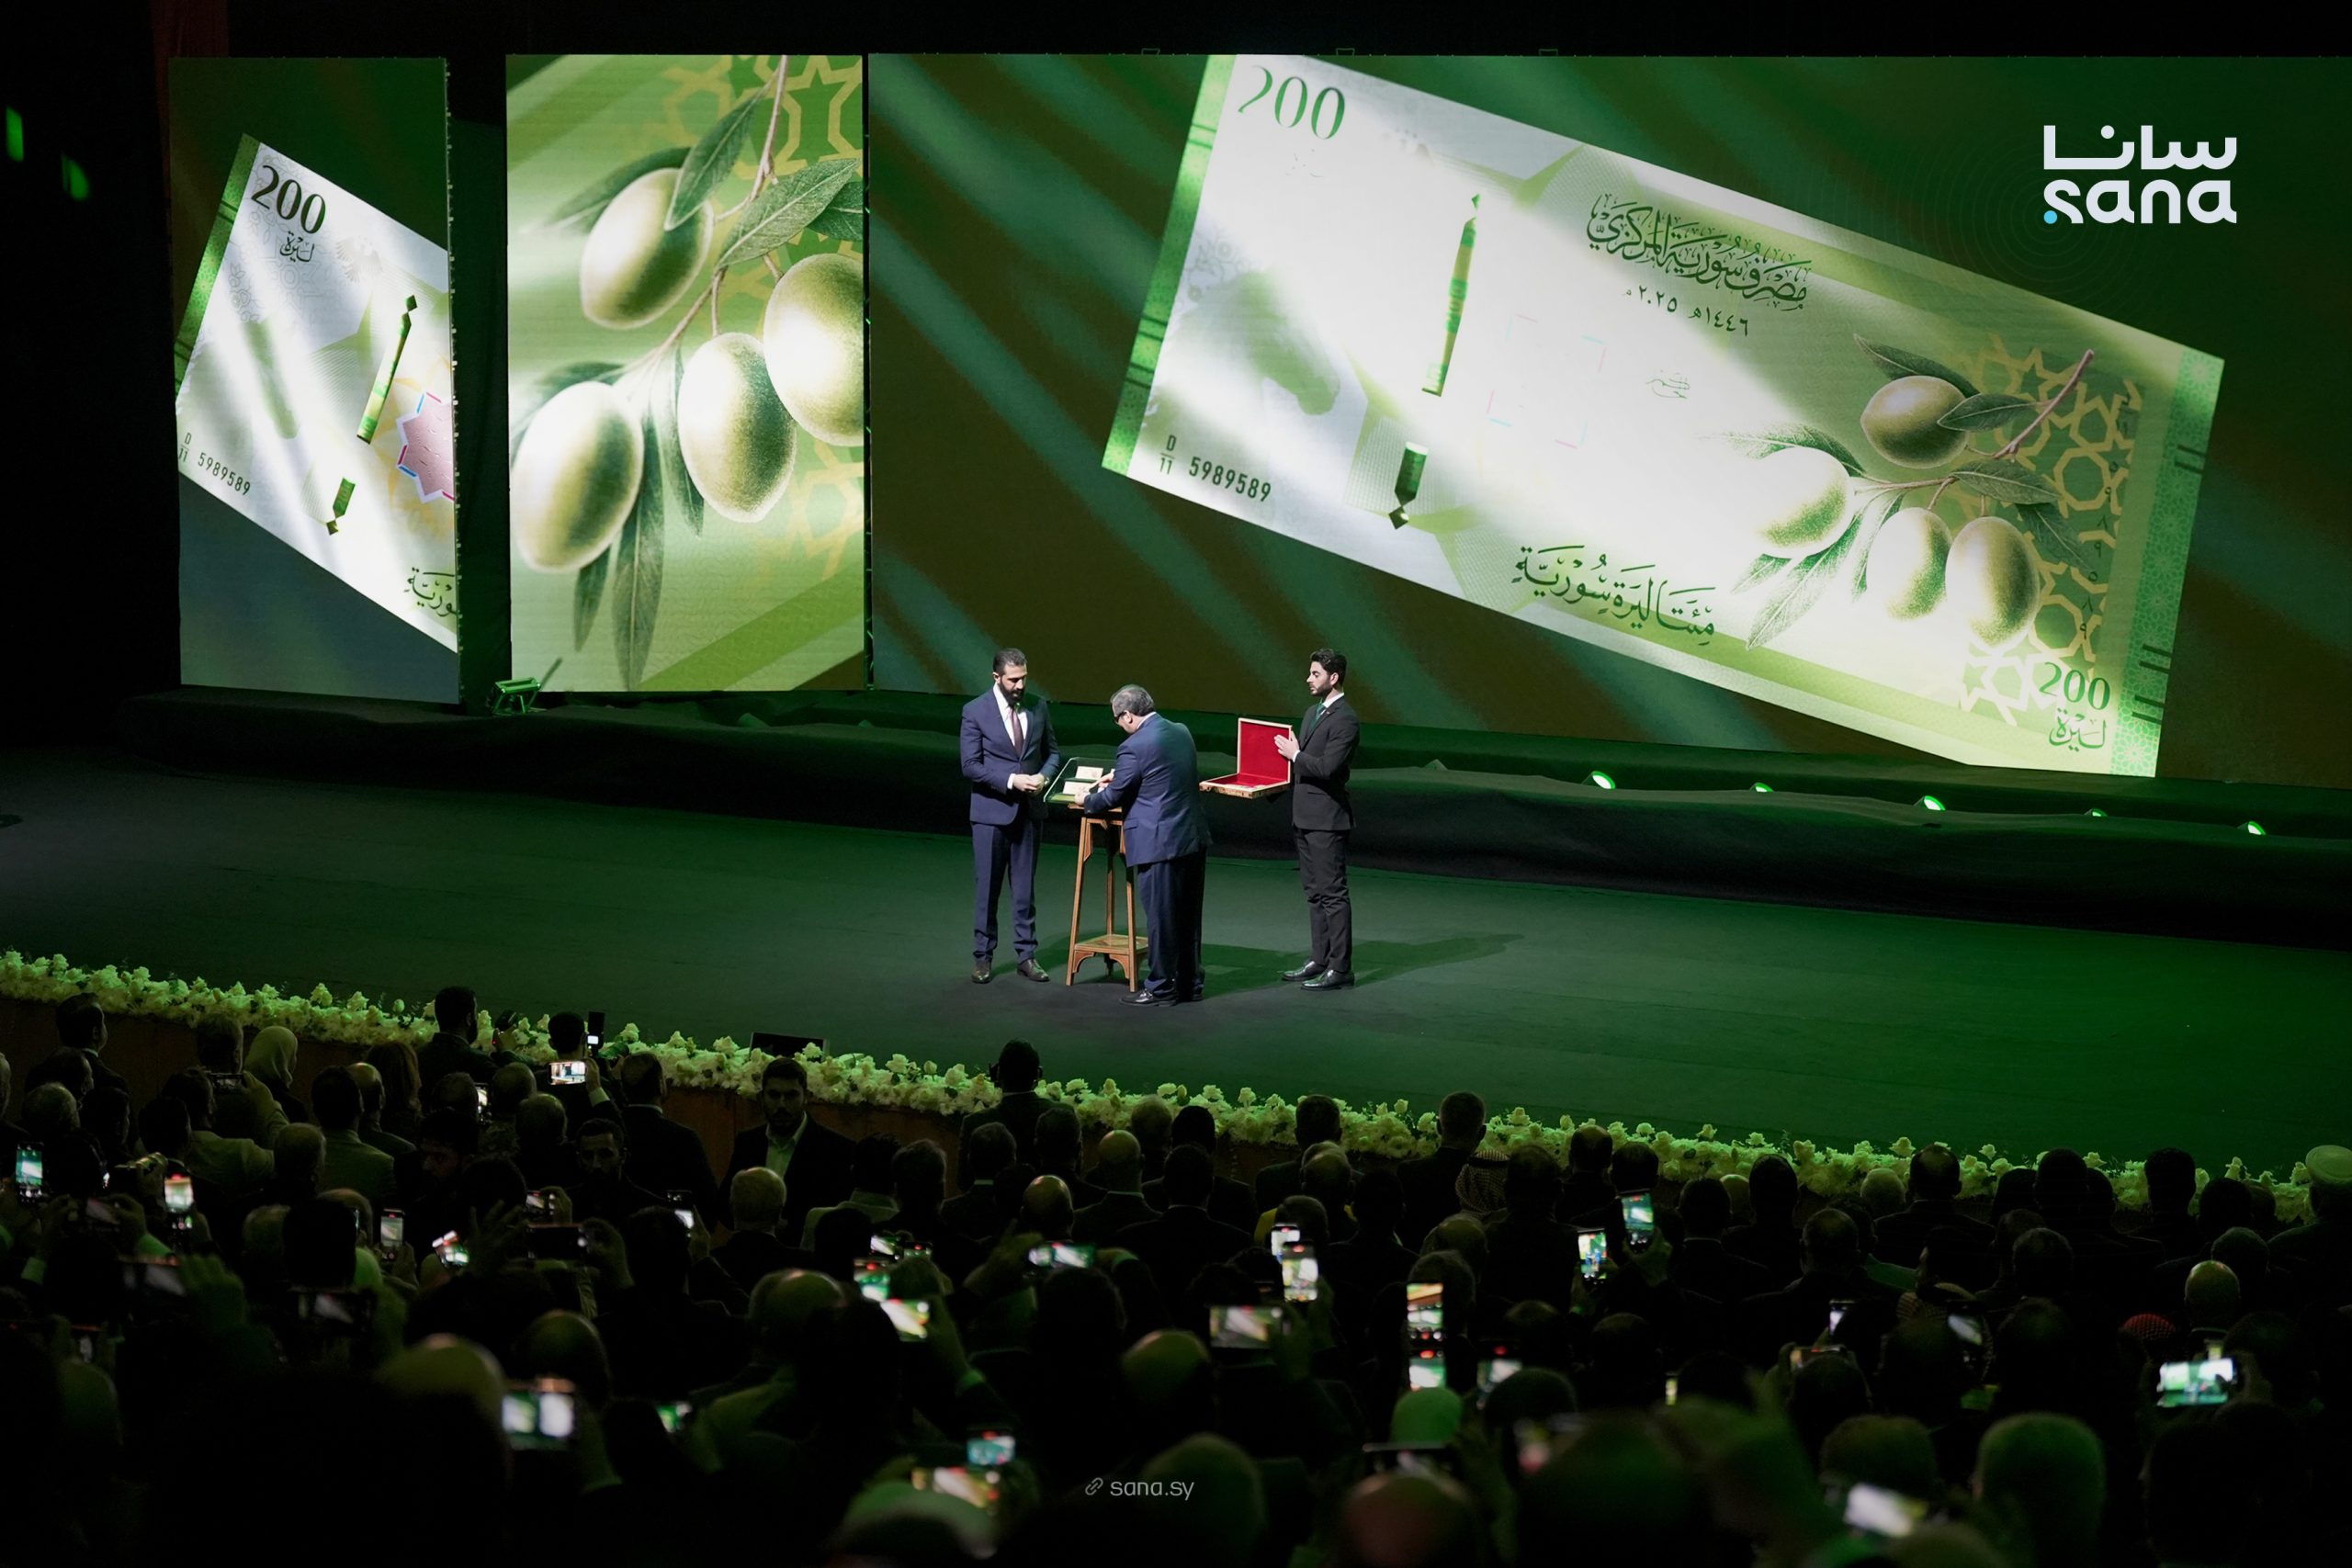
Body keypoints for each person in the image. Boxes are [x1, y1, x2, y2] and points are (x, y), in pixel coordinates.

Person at [1081, 683, 1211, 1007]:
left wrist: (1087, 799)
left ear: (1127, 715)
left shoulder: (1133, 746)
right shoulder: (1181, 731)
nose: (1119, 725)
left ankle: (1160, 988)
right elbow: (1162, 774)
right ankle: (1189, 984)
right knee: (1188, 917)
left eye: (1117, 720)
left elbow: (1114, 796)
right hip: (1191, 837)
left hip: (1159, 842)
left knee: (1162, 918)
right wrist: (1124, 776)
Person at [961, 647, 1062, 984]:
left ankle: (1026, 956)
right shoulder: (975, 711)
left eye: (1023, 678)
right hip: (991, 814)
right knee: (987, 890)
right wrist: (1011, 781)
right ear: (997, 677)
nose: (1020, 685)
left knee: (1024, 891)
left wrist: (1043, 777)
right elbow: (970, 765)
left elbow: (1053, 753)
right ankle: (983, 957)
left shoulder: (1038, 706)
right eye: (1013, 680)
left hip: (1029, 813)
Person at [1272, 648, 1360, 989]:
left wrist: (1296, 754)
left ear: (1333, 677)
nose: (1308, 679)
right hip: (1304, 816)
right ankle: (1319, 959)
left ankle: (1340, 968)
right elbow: (1301, 763)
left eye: (1315, 674)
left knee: (1332, 894)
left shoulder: (1346, 719)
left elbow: (1326, 767)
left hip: (1327, 820)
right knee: (1314, 893)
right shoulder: (1312, 712)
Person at [721, 1055, 854, 1241]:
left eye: (791, 1096)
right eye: (774, 1095)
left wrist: (790, 1229)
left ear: (806, 1097)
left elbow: (838, 1220)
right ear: (761, 1098)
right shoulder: (748, 1142)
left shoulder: (837, 1149)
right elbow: (725, 1205)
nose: (782, 1104)